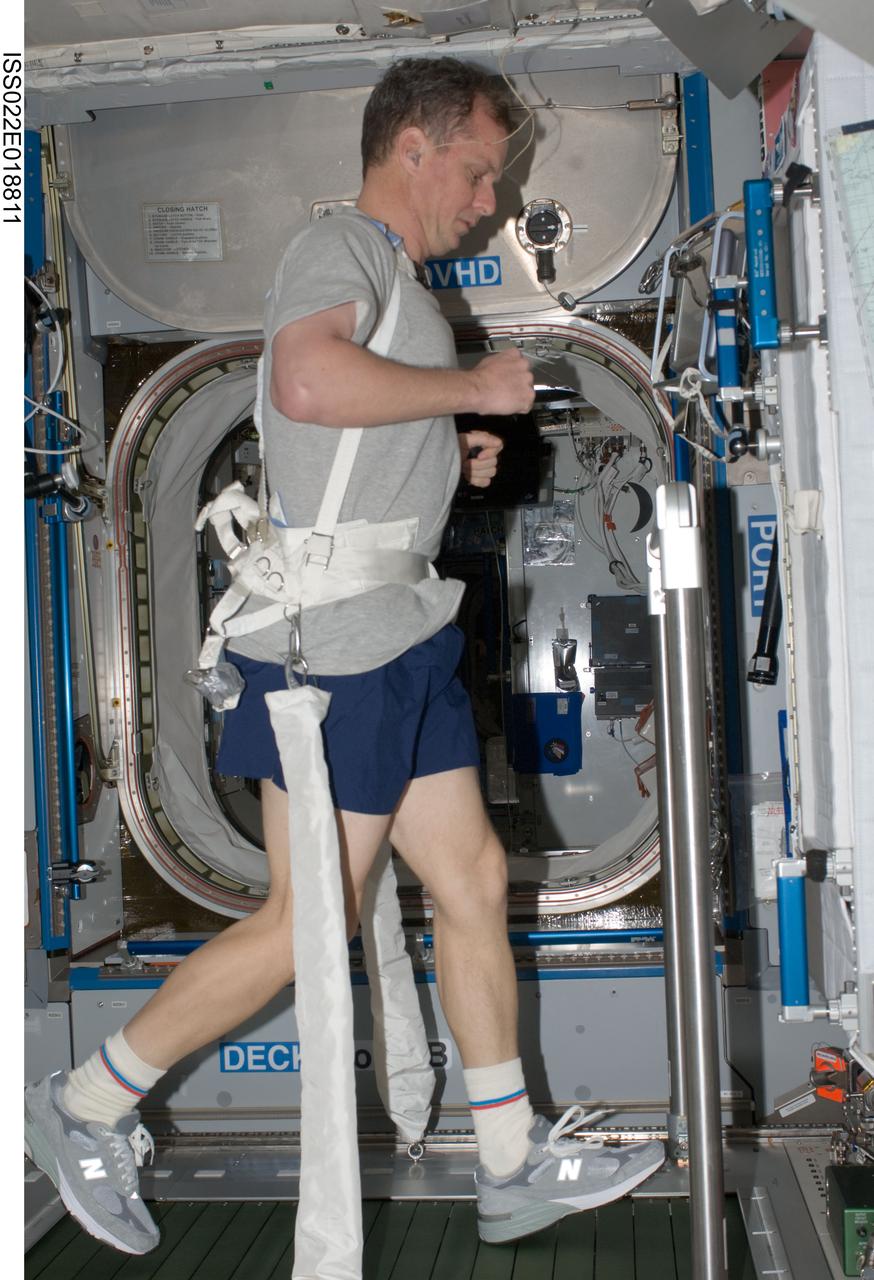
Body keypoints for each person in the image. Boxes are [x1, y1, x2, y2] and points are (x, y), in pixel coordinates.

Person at [24, 56, 664, 1258]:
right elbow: (307, 380)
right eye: (478, 167)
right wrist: (470, 383)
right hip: (335, 656)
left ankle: (511, 1158)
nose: (486, 196)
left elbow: (350, 417)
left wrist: (447, 438)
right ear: (411, 147)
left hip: (400, 633)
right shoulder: (345, 251)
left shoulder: (398, 286)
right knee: (305, 922)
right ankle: (81, 1102)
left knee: (471, 881)